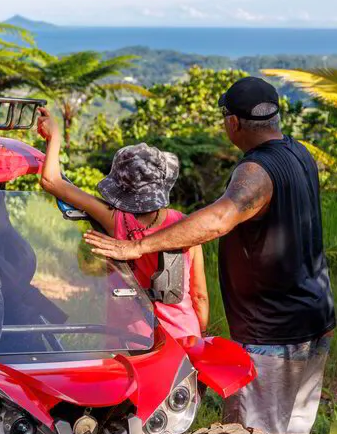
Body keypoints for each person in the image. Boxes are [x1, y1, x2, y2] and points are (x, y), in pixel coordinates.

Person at [84, 76, 336, 434]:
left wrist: (137, 246)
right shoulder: (299, 153)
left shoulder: (257, 169)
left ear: (232, 123)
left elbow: (219, 218)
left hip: (272, 331)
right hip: (315, 318)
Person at [37, 107, 209, 340]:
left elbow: (52, 181)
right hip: (184, 336)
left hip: (131, 338)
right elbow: (199, 296)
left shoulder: (115, 219)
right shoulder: (187, 227)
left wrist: (54, 135)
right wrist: (201, 335)